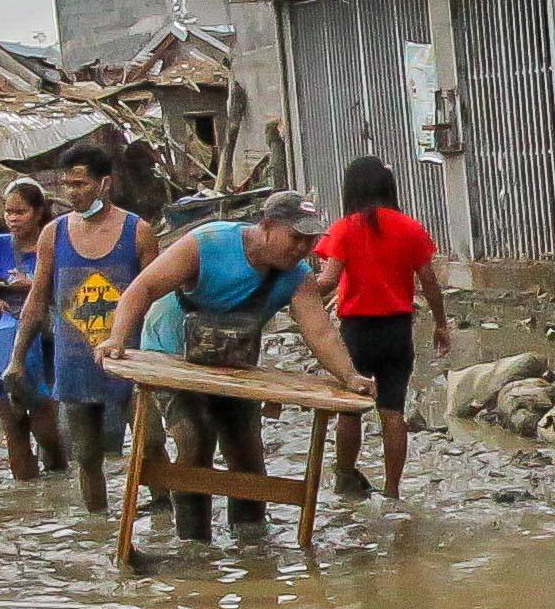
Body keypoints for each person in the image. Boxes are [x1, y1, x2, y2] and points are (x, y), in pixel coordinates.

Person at [104, 191, 344, 543]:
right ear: (265, 227)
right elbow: (142, 289)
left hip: (234, 362)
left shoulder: (298, 277)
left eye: (310, 241)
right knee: (195, 438)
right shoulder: (208, 243)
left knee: (246, 453)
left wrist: (350, 376)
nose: (302, 249)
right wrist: (117, 338)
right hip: (175, 353)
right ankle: (194, 543)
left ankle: (251, 543)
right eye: (295, 238)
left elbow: (321, 332)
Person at [311, 158, 454, 500]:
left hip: (356, 333)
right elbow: (429, 281)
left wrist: (293, 289)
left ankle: (345, 479)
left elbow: (329, 280)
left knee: (350, 408)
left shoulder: (344, 229)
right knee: (393, 410)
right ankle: (391, 492)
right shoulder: (410, 228)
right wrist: (440, 323)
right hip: (397, 331)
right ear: (388, 187)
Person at [13, 160, 152, 513]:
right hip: (75, 360)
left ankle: (163, 514)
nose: (72, 192)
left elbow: (157, 297)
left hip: (132, 359)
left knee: (150, 442)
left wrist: (164, 355)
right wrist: (16, 359)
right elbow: (38, 298)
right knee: (87, 456)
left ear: (104, 184)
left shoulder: (138, 231)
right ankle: (97, 526)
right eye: (67, 185)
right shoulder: (54, 234)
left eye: (80, 184)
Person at [0, 183, 55, 478]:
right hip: (2, 340)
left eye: (20, 212)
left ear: (38, 212)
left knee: (47, 428)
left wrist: (31, 284)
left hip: (48, 341)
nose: (13, 219)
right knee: (13, 426)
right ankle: (25, 499)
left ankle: (57, 489)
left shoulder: (54, 241)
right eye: (8, 211)